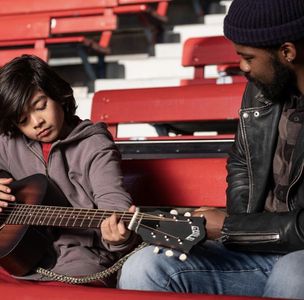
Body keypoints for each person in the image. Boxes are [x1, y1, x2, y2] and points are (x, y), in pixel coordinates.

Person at [118, 0, 304, 298]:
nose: (242, 67)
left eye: (247, 57)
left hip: (297, 258)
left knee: (294, 273)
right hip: (256, 250)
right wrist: (219, 230)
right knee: (146, 267)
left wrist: (231, 227)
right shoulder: (263, 91)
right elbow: (242, 162)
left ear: (287, 52)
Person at [0, 54, 138, 286]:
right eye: (23, 119)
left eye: (41, 106)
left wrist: (119, 238)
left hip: (80, 260)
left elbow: (115, 207)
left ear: (58, 95)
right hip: (16, 260)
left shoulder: (94, 145)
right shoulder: (8, 141)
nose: (36, 122)